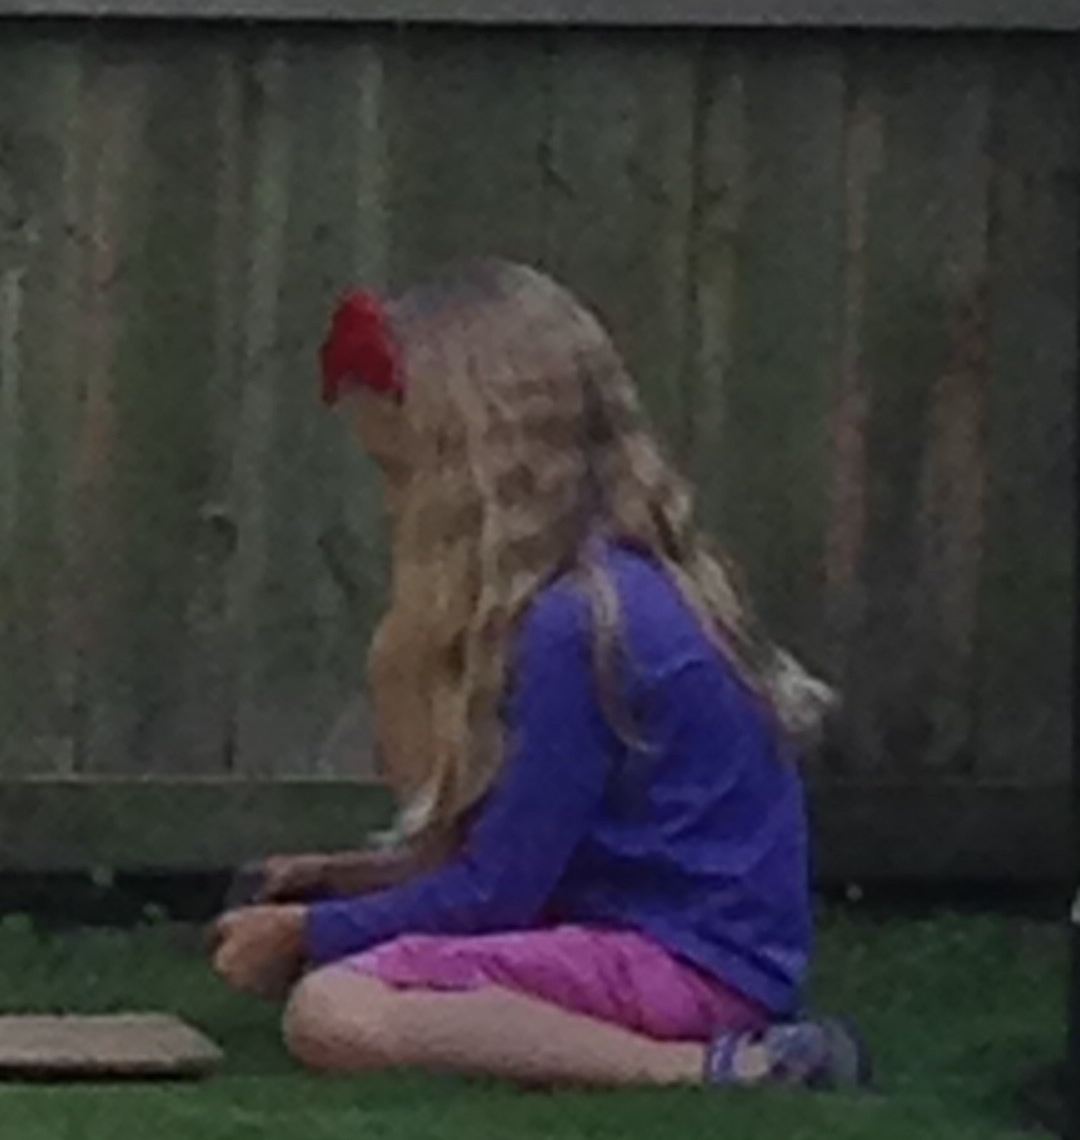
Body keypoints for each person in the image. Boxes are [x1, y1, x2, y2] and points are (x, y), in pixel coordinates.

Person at [212, 260, 867, 1091]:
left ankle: (716, 1068)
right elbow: (536, 848)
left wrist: (309, 933)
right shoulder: (619, 588)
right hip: (690, 947)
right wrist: (347, 879)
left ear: (474, 471)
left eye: (400, 473)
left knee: (335, 1009)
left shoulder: (578, 626)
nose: (390, 505)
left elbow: (499, 893)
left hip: (685, 966)